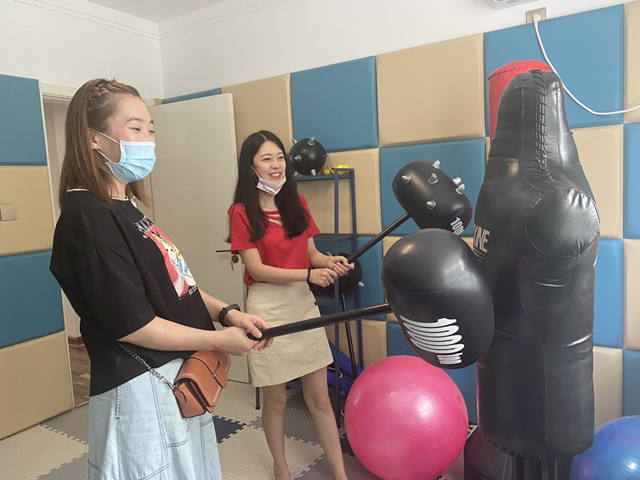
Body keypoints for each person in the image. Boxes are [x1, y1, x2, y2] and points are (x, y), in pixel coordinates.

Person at [49, 78, 272, 480]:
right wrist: (219, 341)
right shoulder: (88, 218)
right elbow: (134, 324)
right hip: (138, 386)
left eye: (151, 130)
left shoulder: (126, 206)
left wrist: (228, 313)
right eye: (135, 129)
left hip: (174, 377)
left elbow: (177, 284)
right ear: (94, 138)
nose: (148, 141)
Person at [228, 130, 353, 480]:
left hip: (302, 303)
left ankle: (340, 474)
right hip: (267, 310)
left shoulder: (297, 204)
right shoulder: (240, 212)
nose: (276, 165)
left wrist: (329, 262)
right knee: (277, 400)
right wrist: (309, 274)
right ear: (251, 166)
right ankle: (280, 467)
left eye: (280, 157)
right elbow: (256, 269)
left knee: (320, 399)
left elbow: (312, 254)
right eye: (266, 158)